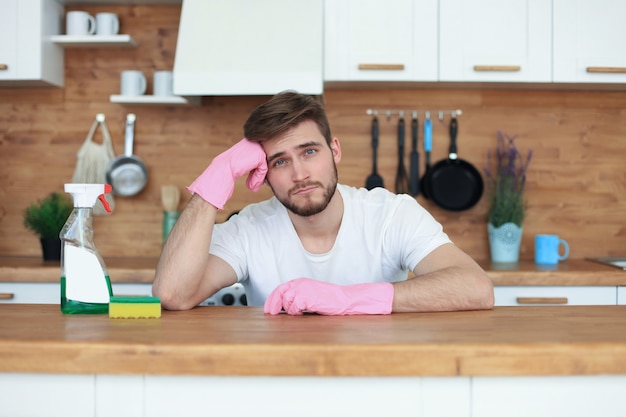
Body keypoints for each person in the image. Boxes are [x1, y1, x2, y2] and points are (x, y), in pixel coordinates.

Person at [152, 91, 494, 315]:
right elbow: (172, 294)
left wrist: (348, 299)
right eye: (280, 161)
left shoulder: (391, 214)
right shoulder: (249, 228)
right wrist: (218, 174)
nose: (300, 174)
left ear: (335, 151)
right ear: (264, 174)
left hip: (378, 376)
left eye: (309, 152)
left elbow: (476, 287)